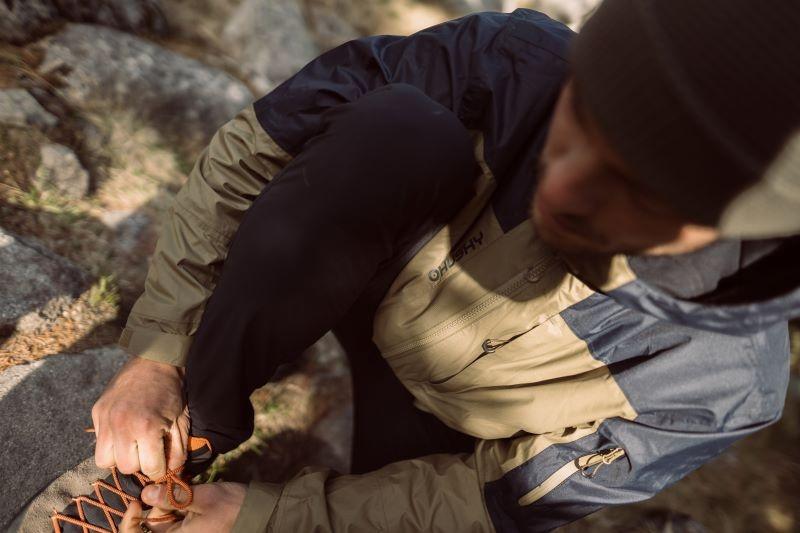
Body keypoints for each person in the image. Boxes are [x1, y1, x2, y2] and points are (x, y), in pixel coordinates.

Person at [80, 0, 799, 531]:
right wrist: (160, 351)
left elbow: (489, 499)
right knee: (397, 126)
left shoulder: (722, 380)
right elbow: (258, 149)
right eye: (587, 115)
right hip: (370, 269)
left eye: (638, 189)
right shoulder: (512, 59)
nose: (561, 185)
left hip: (454, 426)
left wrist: (267, 517)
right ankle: (192, 424)